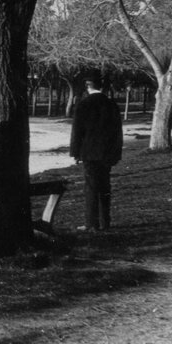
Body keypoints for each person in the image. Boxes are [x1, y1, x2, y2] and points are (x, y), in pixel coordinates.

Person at [70, 74, 123, 232]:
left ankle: (91, 223)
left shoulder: (84, 104)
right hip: (107, 153)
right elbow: (117, 132)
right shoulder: (111, 104)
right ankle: (105, 222)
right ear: (102, 87)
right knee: (105, 187)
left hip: (90, 153)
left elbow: (77, 131)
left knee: (91, 188)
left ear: (88, 86)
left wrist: (75, 153)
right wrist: (116, 153)